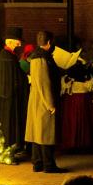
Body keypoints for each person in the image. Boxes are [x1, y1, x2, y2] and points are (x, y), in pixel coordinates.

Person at [25, 30, 65, 173]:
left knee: (37, 132)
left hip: (36, 98)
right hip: (43, 100)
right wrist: (50, 103)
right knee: (45, 132)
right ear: (49, 42)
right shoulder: (42, 58)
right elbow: (44, 82)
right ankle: (48, 164)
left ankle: (38, 163)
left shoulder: (37, 56)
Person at [0, 26, 30, 162]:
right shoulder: (7, 57)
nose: (19, 44)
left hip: (6, 97)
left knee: (9, 127)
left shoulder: (6, 55)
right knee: (9, 127)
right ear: (10, 41)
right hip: (8, 98)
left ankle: (8, 153)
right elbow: (14, 77)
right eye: (17, 41)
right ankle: (7, 154)